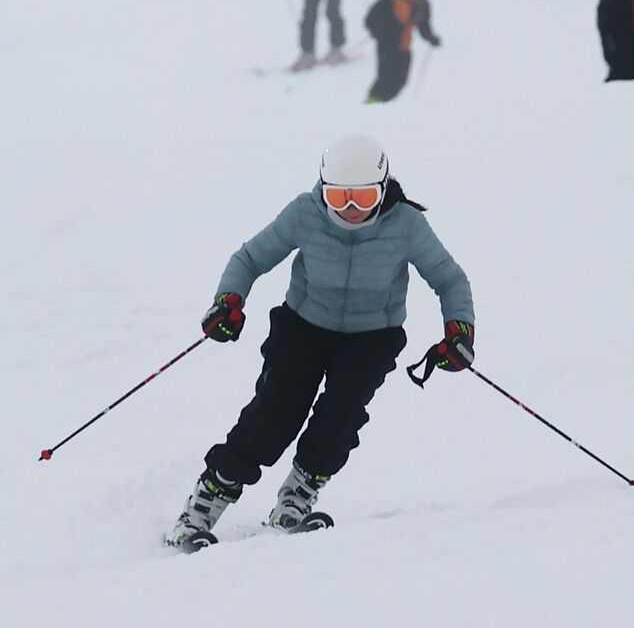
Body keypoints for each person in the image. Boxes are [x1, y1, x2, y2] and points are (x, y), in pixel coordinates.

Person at [164, 135, 476, 549]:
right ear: (323, 189)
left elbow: (449, 279)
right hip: (303, 327)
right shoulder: (305, 213)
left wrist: (459, 329)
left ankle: (296, 497)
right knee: (275, 413)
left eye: (362, 198)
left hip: (372, 337)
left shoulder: (406, 225)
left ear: (382, 189)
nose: (349, 209)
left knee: (339, 419)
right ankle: (202, 507)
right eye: (339, 196)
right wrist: (228, 301)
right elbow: (250, 259)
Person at [364, 0, 441, 103]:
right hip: (387, 47)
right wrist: (380, 33)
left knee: (400, 82)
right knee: (385, 80)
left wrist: (431, 38)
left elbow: (424, 25)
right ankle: (371, 106)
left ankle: (383, 107)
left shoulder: (423, 4)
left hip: (404, 48)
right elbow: (371, 18)